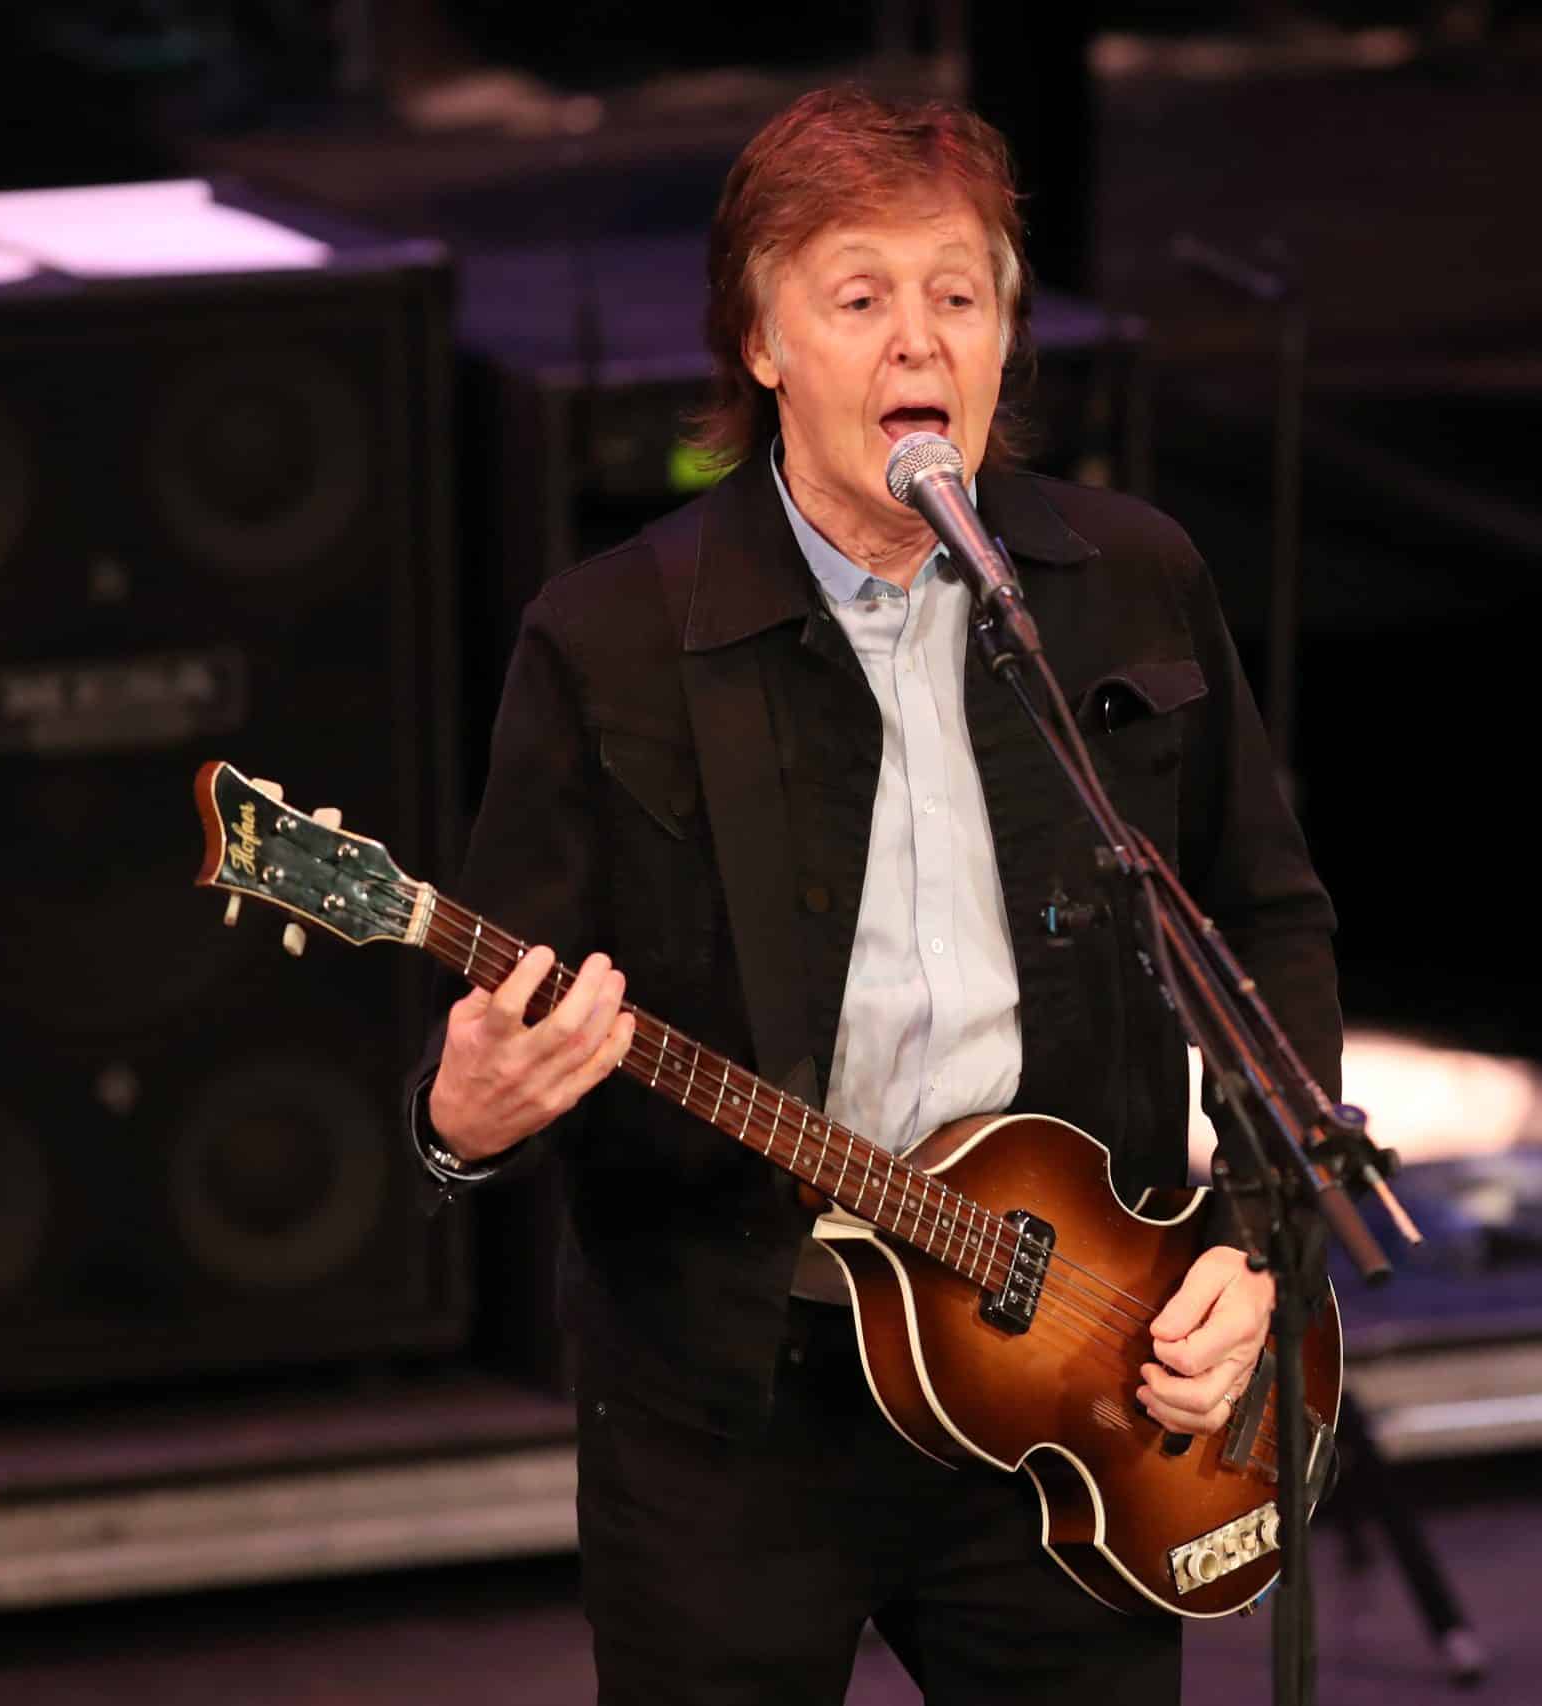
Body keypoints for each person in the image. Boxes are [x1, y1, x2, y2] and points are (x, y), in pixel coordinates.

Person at [406, 86, 1341, 1705]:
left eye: (958, 295)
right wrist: (461, 1115)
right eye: (859, 298)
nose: (920, 341)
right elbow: (488, 1036)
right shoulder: (610, 640)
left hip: (1081, 1366)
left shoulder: (1124, 583)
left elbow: (1265, 918)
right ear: (761, 340)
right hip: (738, 1406)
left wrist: (1254, 1249)